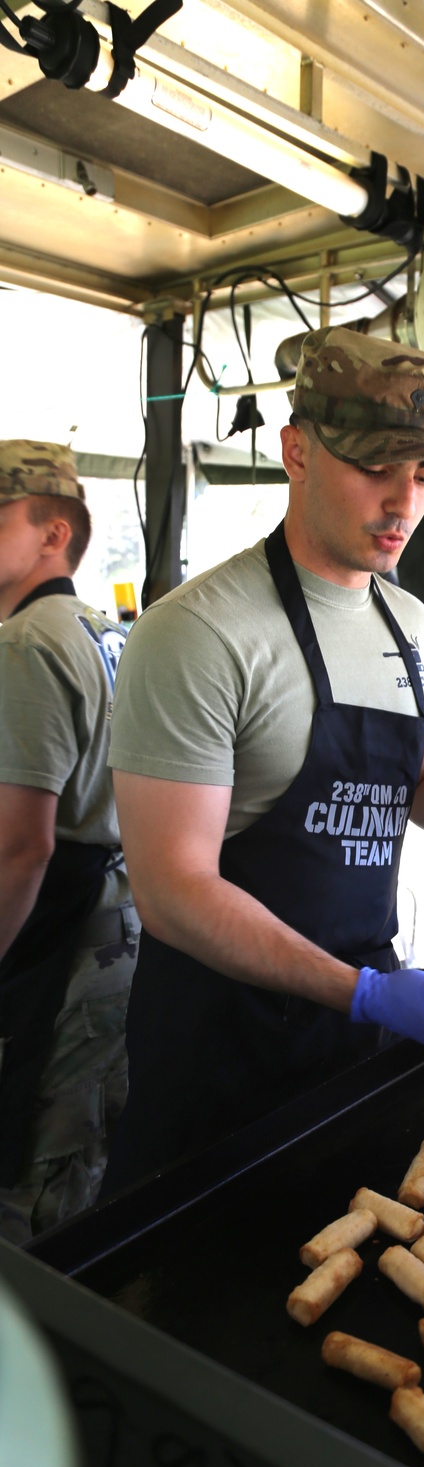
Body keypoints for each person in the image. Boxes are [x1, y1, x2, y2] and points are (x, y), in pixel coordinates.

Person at [101, 327, 424, 1191]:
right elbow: (170, 892)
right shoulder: (201, 633)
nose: (405, 502)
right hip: (218, 1049)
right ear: (296, 451)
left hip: (349, 1035)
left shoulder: (411, 625)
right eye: (376, 467)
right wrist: (361, 991)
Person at [0, 441, 137, 1243]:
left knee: (32, 1190)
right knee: (82, 1166)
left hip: (58, 939)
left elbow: (24, 847)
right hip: (117, 935)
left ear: (55, 533)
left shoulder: (23, 643)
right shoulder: (102, 627)